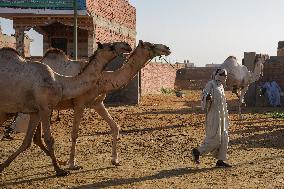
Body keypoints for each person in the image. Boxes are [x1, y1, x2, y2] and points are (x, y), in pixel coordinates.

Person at [192, 68, 232, 168]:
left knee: (224, 137)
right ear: (218, 75)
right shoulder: (211, 84)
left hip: (222, 116)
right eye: (223, 75)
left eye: (225, 75)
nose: (225, 77)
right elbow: (204, 95)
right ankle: (198, 151)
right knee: (215, 139)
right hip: (213, 116)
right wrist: (207, 97)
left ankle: (220, 160)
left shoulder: (221, 86)